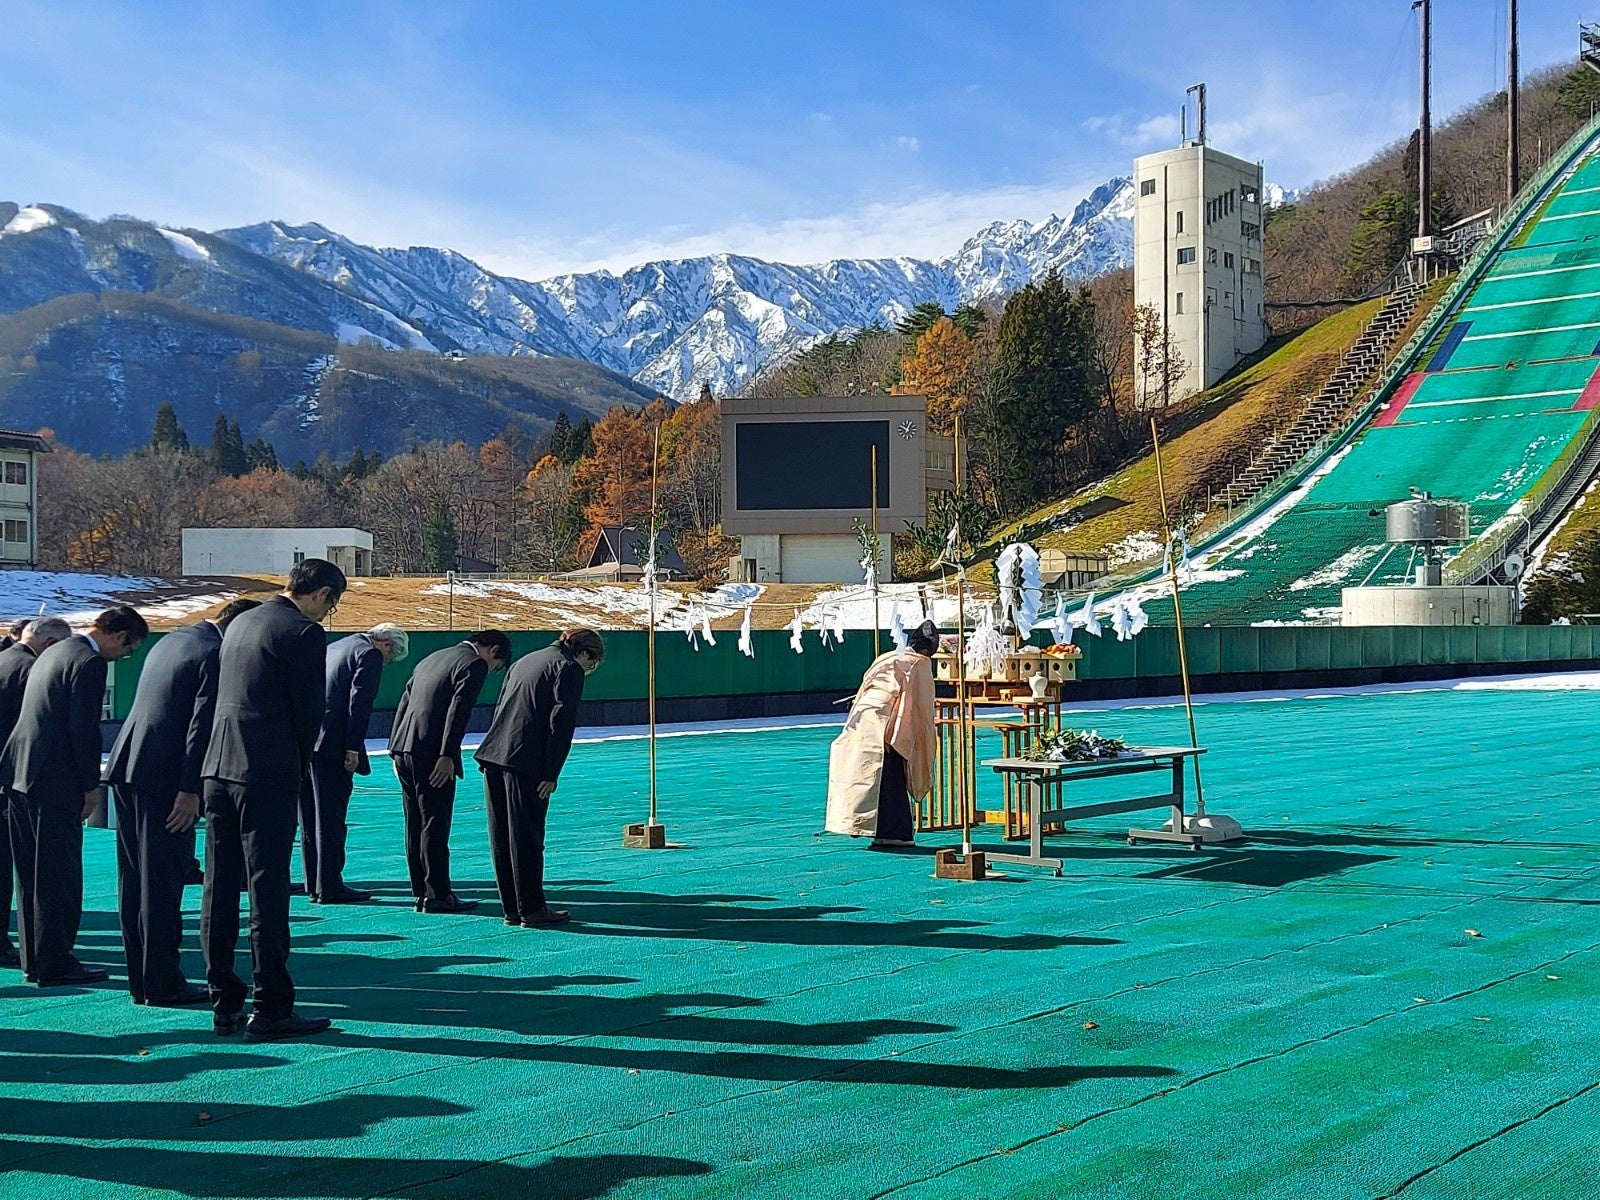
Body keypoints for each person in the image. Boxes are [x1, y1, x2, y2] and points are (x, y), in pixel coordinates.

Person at [201, 559, 343, 1042]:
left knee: (219, 886)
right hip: (266, 771)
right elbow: (309, 710)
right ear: (320, 594)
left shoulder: (241, 622)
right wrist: (300, 761)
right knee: (268, 889)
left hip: (219, 767)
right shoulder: (302, 632)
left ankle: (224, 1001)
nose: (328, 613)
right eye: (331, 604)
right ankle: (271, 1007)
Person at [103, 598, 262, 1007]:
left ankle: (143, 979)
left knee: (134, 880)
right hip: (166, 779)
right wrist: (190, 789)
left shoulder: (175, 639)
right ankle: (163, 983)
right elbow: (200, 725)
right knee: (162, 881)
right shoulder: (213, 652)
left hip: (130, 765)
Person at [0, 607, 148, 986]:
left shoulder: (54, 651)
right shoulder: (89, 662)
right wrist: (89, 785)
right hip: (55, 780)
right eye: (127, 650)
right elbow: (84, 729)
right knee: (58, 876)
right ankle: (55, 962)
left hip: (20, 774)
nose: (121, 657)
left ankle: (35, 959)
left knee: (30, 876)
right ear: (119, 636)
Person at [475, 627, 603, 927]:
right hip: (526, 761)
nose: (589, 668)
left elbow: (501, 707)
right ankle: (532, 909)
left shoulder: (525, 661)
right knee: (527, 836)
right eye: (592, 662)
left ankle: (512, 907)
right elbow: (561, 722)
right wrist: (551, 773)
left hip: (495, 754)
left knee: (502, 835)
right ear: (585, 653)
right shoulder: (568, 668)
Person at [389, 630, 512, 914]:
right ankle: (438, 894)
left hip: (405, 746)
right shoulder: (473, 663)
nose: (491, 670)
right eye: (496, 666)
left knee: (415, 822)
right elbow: (459, 711)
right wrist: (447, 755)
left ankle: (421, 890)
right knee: (435, 821)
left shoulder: (432, 658)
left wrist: (395, 748)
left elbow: (404, 702)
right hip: (432, 753)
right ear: (494, 651)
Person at [299, 622, 408, 903]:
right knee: (332, 817)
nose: (386, 663)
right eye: (390, 658)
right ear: (386, 645)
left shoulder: (337, 646)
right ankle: (330, 885)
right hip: (334, 744)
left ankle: (314, 881)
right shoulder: (368, 654)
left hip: (310, 739)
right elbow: (359, 702)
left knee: (309, 816)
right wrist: (352, 747)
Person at [825, 620, 938, 849]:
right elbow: (919, 706)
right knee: (891, 779)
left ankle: (873, 827)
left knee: (872, 777)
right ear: (926, 651)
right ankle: (896, 833)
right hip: (888, 721)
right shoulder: (919, 663)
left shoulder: (885, 658)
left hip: (863, 718)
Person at [0, 618, 73, 972]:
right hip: (14, 777)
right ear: (49, 643)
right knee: (13, 867)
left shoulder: (5, 659)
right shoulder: (31, 669)